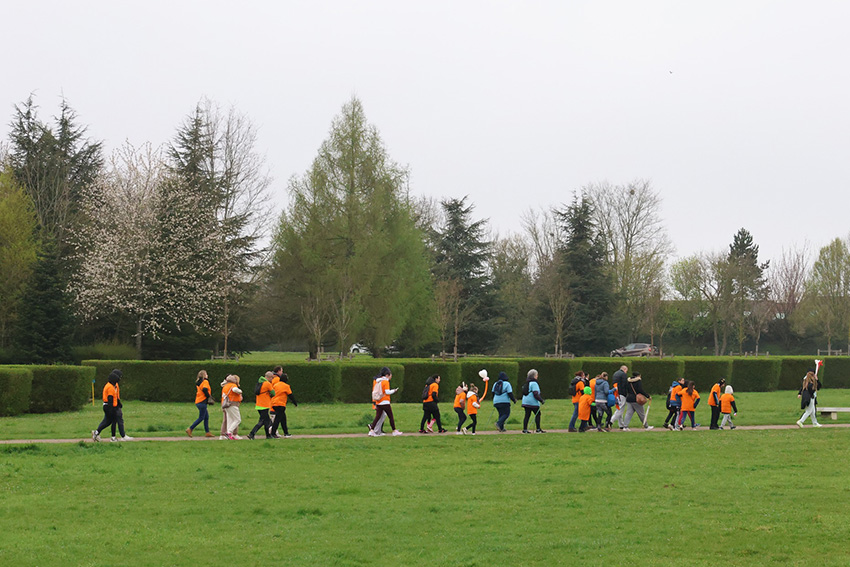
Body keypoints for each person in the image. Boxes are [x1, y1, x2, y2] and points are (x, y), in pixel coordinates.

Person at [92, 369, 133, 442]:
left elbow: (115, 396)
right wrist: (112, 409)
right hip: (110, 406)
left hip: (112, 406)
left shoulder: (113, 385)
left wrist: (118, 403)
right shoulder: (110, 387)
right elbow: (110, 399)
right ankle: (114, 437)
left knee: (108, 421)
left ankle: (97, 433)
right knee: (111, 421)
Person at [369, 367, 402, 436]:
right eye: (390, 375)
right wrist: (394, 391)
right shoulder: (385, 381)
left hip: (379, 401)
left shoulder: (378, 381)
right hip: (385, 401)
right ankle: (394, 430)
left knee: (377, 417)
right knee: (391, 416)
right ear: (387, 375)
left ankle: (372, 430)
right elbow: (387, 392)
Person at [186, 370, 215, 438]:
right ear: (204, 375)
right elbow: (205, 389)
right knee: (201, 417)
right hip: (202, 401)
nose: (207, 375)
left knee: (206, 417)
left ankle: (207, 432)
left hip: (198, 401)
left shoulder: (198, 382)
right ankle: (190, 429)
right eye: (206, 374)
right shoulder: (205, 381)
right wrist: (209, 396)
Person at [247, 372, 276, 440]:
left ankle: (268, 435)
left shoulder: (259, 382)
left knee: (266, 421)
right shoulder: (267, 384)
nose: (272, 379)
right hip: (265, 405)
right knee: (263, 421)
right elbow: (273, 393)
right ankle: (252, 433)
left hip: (259, 405)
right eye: (272, 378)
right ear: (269, 377)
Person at [269, 372, 297, 438]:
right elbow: (290, 395)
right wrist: (295, 403)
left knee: (283, 418)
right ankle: (273, 433)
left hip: (274, 403)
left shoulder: (276, 385)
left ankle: (286, 433)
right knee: (277, 419)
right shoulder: (286, 386)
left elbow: (271, 393)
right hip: (280, 404)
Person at [521, 369, 545, 433]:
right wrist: (541, 400)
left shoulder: (527, 383)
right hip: (532, 402)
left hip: (525, 401)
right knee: (538, 414)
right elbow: (535, 393)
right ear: (534, 376)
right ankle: (538, 429)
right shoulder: (534, 383)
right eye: (537, 375)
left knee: (527, 415)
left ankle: (525, 429)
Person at [221, 374, 243, 440]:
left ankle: (228, 434)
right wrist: (240, 391)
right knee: (237, 419)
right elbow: (235, 390)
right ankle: (229, 432)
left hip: (226, 405)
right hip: (233, 404)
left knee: (230, 419)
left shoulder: (225, 386)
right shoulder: (233, 385)